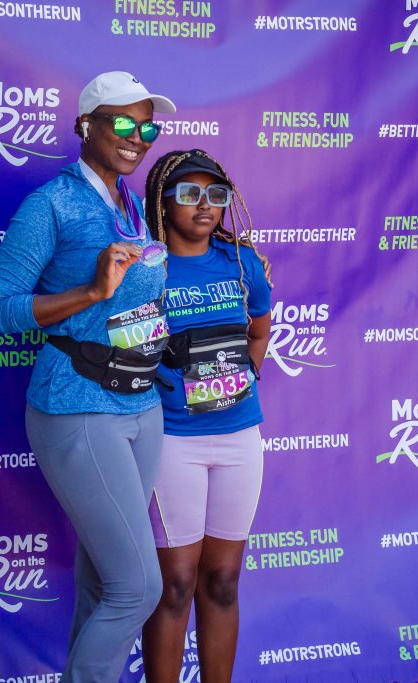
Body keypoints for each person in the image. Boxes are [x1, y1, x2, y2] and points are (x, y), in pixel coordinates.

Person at [0, 71, 176, 683]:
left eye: (147, 126)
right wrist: (89, 290)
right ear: (84, 126)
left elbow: (138, 298)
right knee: (138, 588)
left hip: (143, 406)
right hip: (78, 407)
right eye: (122, 123)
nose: (137, 136)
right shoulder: (50, 205)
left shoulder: (133, 205)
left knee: (103, 584)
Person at [140, 150, 273, 682]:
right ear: (162, 202)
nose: (205, 205)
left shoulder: (242, 263)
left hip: (239, 438)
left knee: (221, 579)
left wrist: (244, 376)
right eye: (189, 194)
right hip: (173, 442)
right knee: (174, 583)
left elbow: (259, 330)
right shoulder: (145, 268)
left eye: (215, 195)